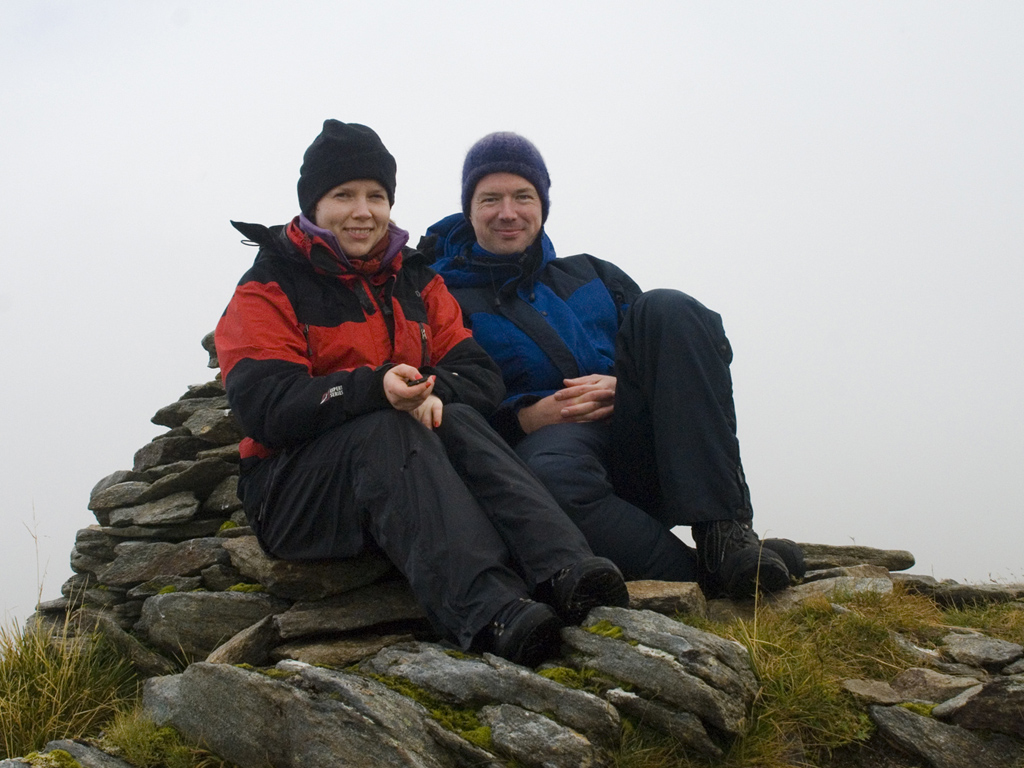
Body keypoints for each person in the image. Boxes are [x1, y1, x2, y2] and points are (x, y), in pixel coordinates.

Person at [214, 120, 629, 667]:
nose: (363, 211)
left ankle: (564, 567)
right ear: (313, 205)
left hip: (395, 474)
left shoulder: (414, 279)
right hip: (290, 494)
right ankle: (489, 610)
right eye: (343, 196)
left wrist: (433, 391)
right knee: (386, 428)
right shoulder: (269, 286)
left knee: (454, 418)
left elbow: (478, 374)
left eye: (376, 196)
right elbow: (264, 406)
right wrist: (375, 389)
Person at [421, 132, 805, 600]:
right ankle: (699, 576)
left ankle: (724, 533)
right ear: (469, 209)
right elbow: (448, 401)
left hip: (641, 439)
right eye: (490, 199)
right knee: (552, 476)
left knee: (670, 308)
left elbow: (686, 356)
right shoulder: (442, 299)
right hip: (549, 455)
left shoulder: (594, 274)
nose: (508, 212)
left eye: (523, 196)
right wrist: (524, 418)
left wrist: (625, 385)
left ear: (542, 205)